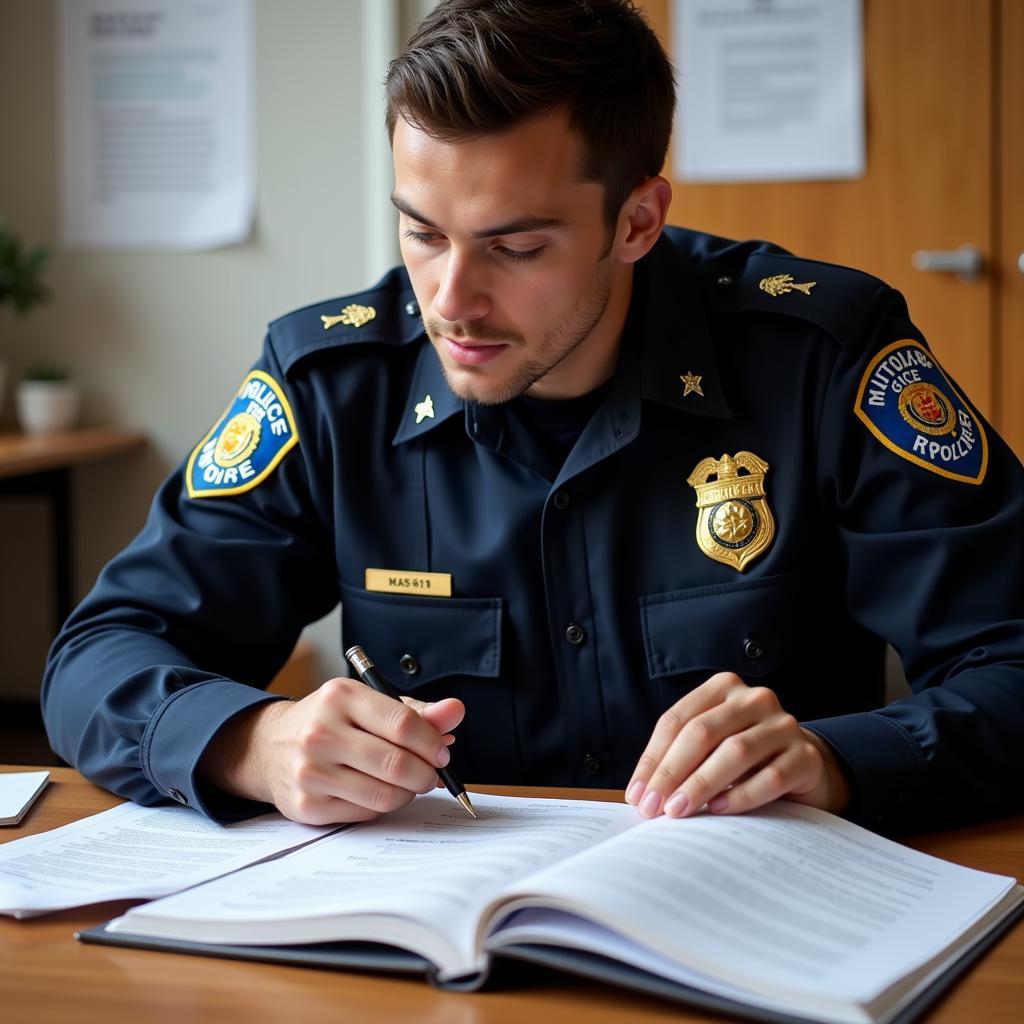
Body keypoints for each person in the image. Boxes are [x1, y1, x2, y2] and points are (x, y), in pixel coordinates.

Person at [42, 0, 1024, 835]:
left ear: (637, 221)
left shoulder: (823, 357)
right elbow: (100, 654)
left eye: (514, 246)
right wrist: (248, 741)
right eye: (422, 233)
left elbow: (1009, 655)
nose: (451, 301)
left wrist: (833, 758)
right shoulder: (330, 383)